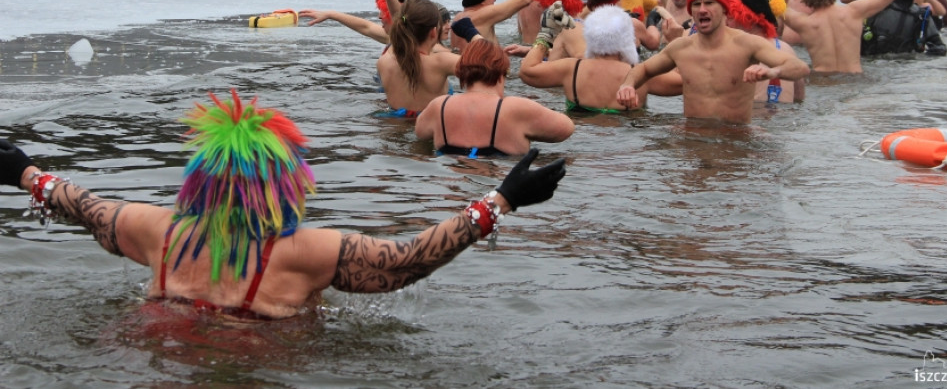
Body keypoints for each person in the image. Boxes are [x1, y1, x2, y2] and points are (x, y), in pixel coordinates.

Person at [0, 99, 567, 321]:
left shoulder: (160, 231)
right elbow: (406, 261)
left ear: (201, 177)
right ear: (284, 181)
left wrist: (27, 173)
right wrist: (500, 201)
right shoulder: (301, 251)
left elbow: (88, 208)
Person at [616, 0, 810, 124]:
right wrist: (627, 85)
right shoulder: (680, 48)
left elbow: (799, 67)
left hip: (735, 141)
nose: (702, 10)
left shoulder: (747, 44)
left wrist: (772, 71)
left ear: (724, 9)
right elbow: (643, 69)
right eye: (696, 4)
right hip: (692, 140)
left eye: (709, 3)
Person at [415, 39, 575, 156]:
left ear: (461, 72)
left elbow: (420, 133)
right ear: (501, 74)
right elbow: (566, 128)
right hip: (498, 184)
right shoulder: (514, 108)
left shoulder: (439, 106)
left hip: (451, 185)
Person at [519, 4, 682, 113]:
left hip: (581, 145)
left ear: (589, 36)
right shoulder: (642, 74)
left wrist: (546, 33)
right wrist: (675, 41)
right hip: (627, 149)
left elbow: (527, 71)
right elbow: (685, 81)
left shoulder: (571, 68)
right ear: (627, 40)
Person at [780, 0, 898, 73]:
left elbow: (775, 4)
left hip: (822, 80)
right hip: (855, 80)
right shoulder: (854, 12)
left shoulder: (804, 23)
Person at [377, 0, 463, 115]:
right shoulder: (442, 62)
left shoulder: (384, 62)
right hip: (431, 124)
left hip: (393, 123)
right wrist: (473, 35)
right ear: (434, 32)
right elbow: (486, 68)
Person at [727, 0, 806, 103]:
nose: (727, 23)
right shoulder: (787, 49)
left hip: (756, 112)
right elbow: (799, 97)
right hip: (786, 112)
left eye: (731, 16)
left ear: (749, 20)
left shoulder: (740, 49)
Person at [854, 0, 947, 57]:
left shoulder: (920, 15)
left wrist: (920, 57)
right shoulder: (878, 1)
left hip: (904, 62)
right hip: (871, 58)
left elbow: (940, 47)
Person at [508, 0, 584, 56]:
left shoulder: (571, 30)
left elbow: (582, 61)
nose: (539, 4)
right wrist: (527, 50)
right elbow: (560, 54)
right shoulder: (565, 26)